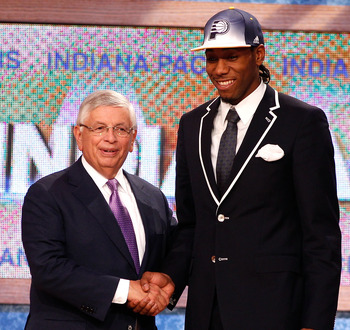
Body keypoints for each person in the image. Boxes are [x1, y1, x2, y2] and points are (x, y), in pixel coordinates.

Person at [140, 7, 342, 330]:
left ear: (258, 54)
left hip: (276, 314)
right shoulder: (192, 124)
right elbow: (193, 224)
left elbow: (321, 237)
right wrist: (170, 276)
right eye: (211, 59)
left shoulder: (302, 122)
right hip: (205, 314)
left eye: (231, 57)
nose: (220, 69)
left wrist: (315, 324)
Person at [21, 89, 177, 329]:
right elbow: (49, 269)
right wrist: (125, 290)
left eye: (121, 129)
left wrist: (168, 280)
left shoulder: (153, 197)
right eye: (99, 128)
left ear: (133, 138)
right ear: (79, 135)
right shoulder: (47, 194)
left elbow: (177, 250)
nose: (110, 138)